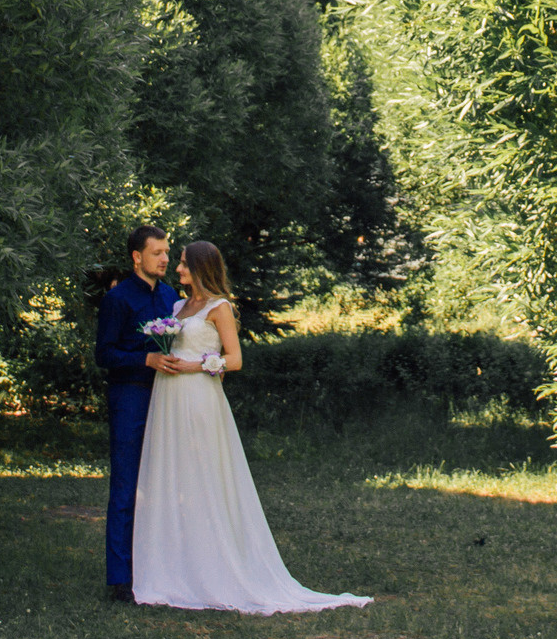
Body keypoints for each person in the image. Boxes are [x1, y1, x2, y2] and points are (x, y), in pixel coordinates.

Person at [131, 240, 369, 613]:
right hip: (169, 397)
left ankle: (217, 569)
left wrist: (193, 366)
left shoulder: (218, 307)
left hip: (197, 395)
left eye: (183, 265)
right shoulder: (178, 306)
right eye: (177, 264)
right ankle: (177, 569)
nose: (177, 270)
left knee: (203, 477)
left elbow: (235, 359)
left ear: (200, 268)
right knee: (174, 476)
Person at [96, 223, 183, 601]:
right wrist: (144, 359)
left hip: (168, 397)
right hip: (129, 396)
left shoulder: (171, 298)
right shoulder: (117, 300)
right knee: (127, 485)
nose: (165, 259)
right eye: (157, 253)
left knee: (165, 484)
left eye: (166, 252)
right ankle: (120, 579)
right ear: (137, 257)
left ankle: (159, 569)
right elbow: (105, 355)